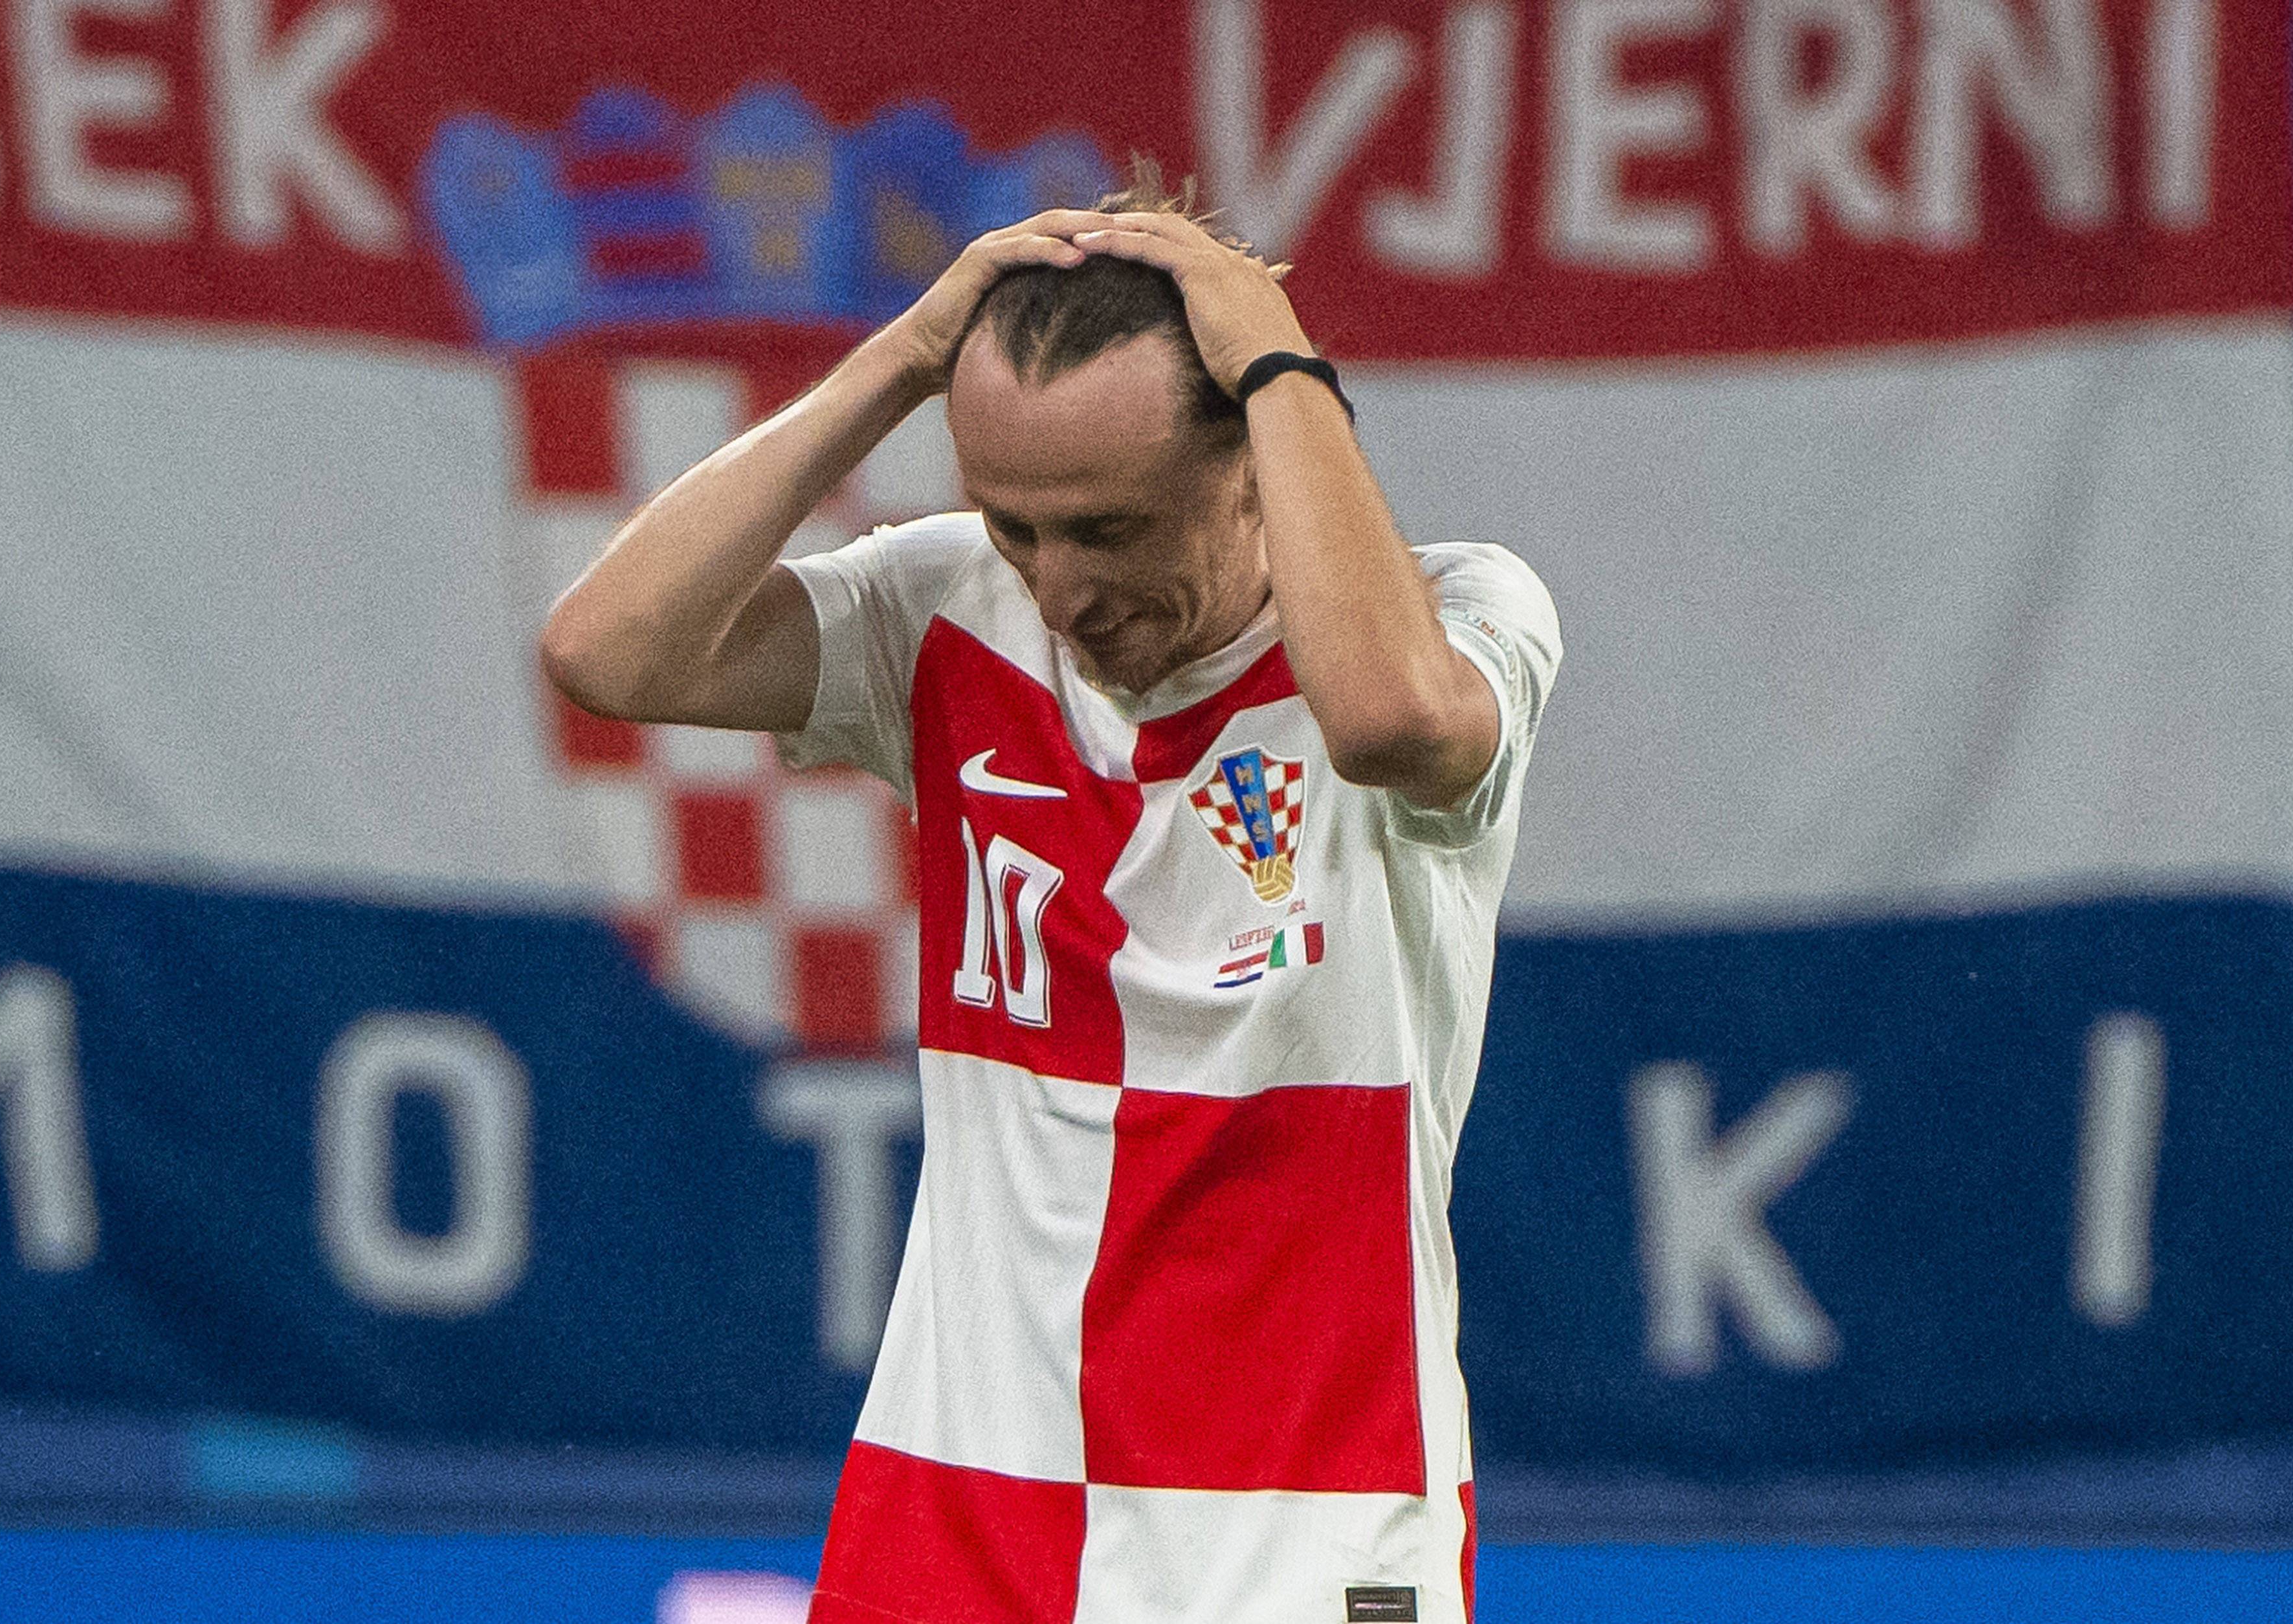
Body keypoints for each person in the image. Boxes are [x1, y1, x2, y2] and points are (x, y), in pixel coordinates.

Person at [542, 169, 1560, 1624]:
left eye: (1110, 529)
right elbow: (607, 651)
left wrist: (1278, 364)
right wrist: (904, 358)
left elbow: (1393, 723)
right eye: (1017, 527)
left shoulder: (1453, 617)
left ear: (1252, 461)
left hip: (1298, 1536)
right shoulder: (947, 612)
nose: (1061, 589)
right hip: (961, 1512)